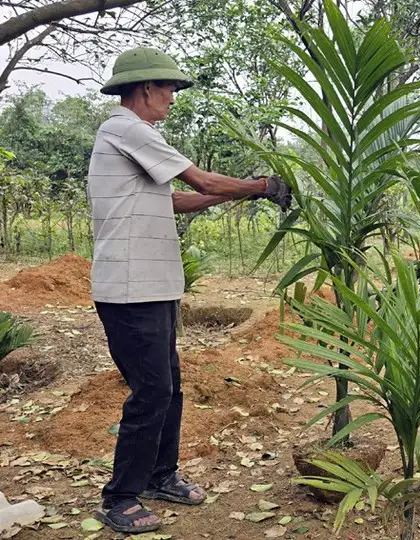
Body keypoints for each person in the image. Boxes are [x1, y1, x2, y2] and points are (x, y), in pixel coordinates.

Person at [87, 47, 292, 534]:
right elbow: (200, 178)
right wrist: (262, 186)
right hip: (128, 287)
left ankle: (161, 475)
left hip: (152, 285)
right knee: (152, 390)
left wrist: (231, 193)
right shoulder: (127, 128)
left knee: (169, 386)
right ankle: (120, 496)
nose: (173, 98)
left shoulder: (134, 138)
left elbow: (179, 198)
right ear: (145, 89)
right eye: (170, 88)